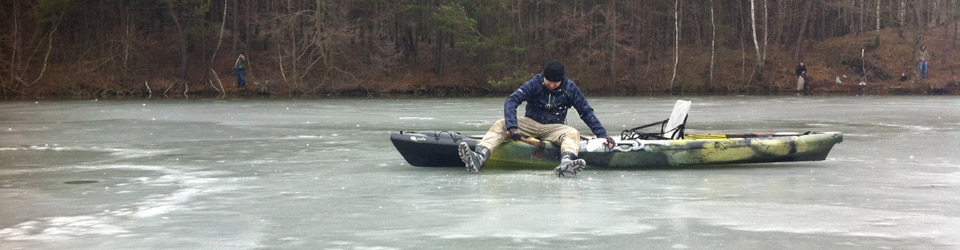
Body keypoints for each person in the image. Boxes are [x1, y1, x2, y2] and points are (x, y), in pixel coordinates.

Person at [457, 60, 615, 177]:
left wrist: (603, 135)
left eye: (556, 83)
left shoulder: (571, 89)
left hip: (554, 127)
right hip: (531, 123)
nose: (552, 85)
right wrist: (513, 127)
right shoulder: (535, 83)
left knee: (572, 133)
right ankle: (479, 157)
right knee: (501, 124)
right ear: (544, 77)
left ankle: (566, 162)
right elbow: (511, 101)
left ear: (562, 80)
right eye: (549, 82)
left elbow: (586, 112)